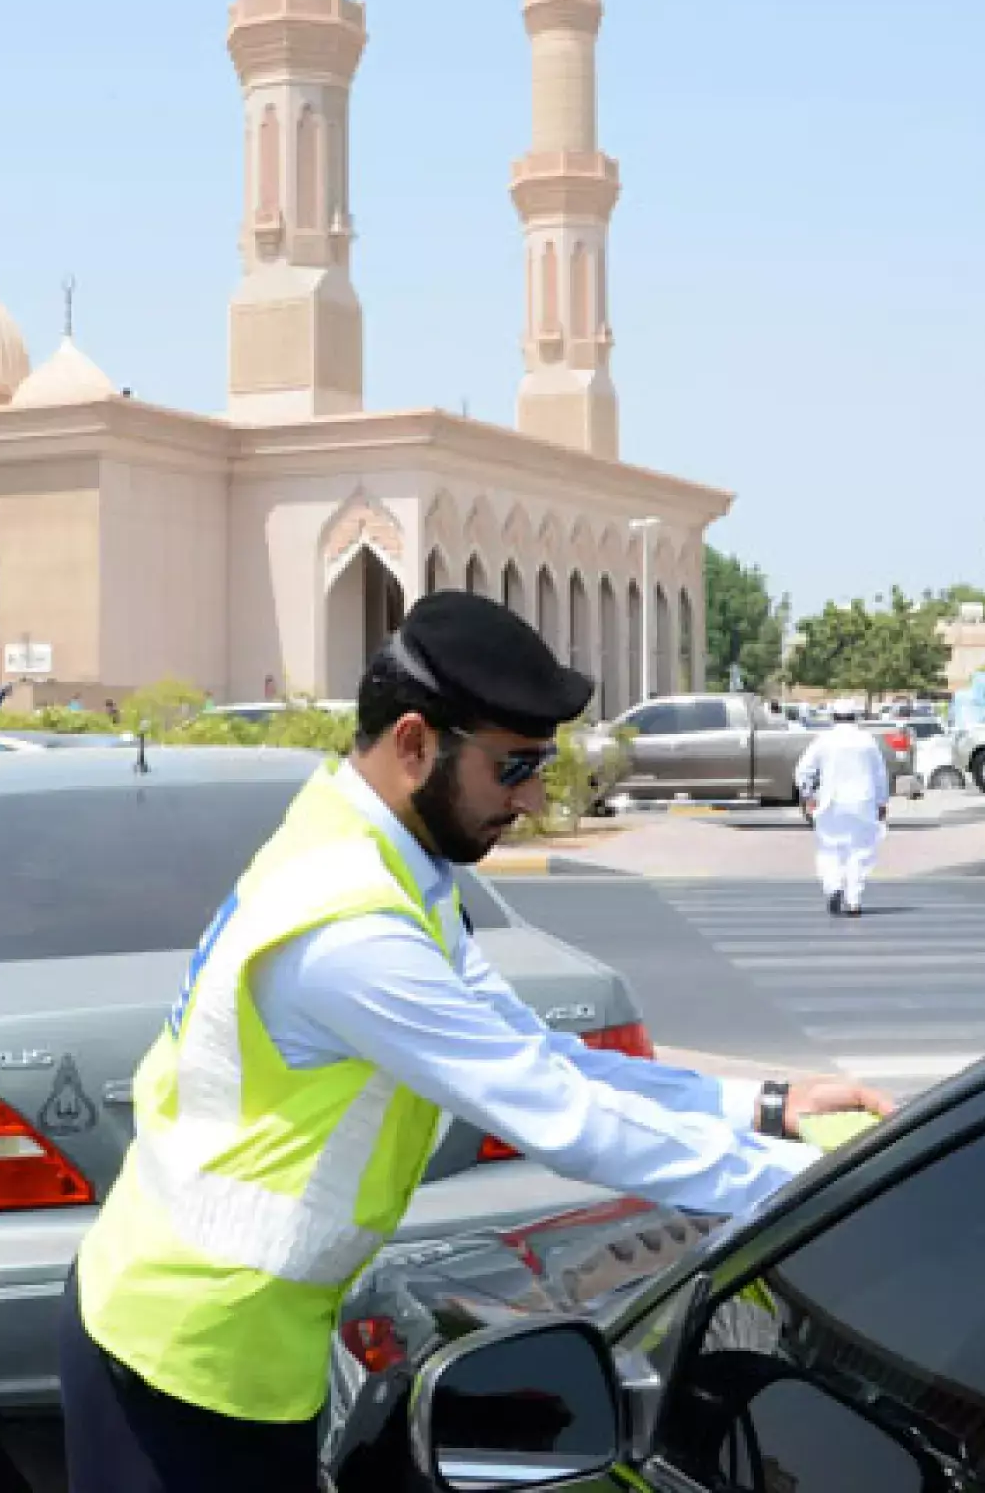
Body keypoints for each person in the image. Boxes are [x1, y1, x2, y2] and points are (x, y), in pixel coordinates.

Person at [60, 592, 893, 1493]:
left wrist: (765, 1107)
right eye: (515, 766)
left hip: (239, 1342)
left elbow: (541, 1058)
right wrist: (823, 1195)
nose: (534, 799)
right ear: (415, 744)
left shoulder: (384, 863)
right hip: (180, 1351)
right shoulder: (353, 934)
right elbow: (563, 1120)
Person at [797, 696, 891, 917]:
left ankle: (833, 886)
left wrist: (808, 794)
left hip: (831, 803)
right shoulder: (867, 741)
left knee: (830, 849)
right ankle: (854, 900)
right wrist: (881, 802)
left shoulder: (824, 740)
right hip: (862, 803)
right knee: (859, 851)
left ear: (833, 717)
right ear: (855, 717)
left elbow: (803, 770)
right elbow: (880, 775)